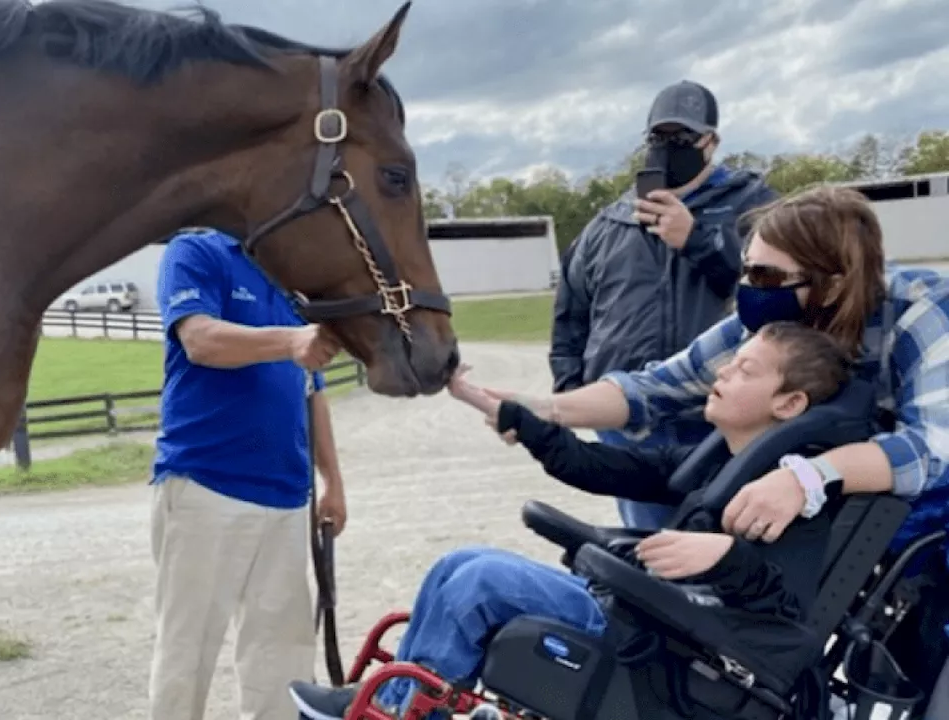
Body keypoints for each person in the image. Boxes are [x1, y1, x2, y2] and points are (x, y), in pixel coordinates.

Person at [289, 322, 854, 720]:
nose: (724, 372)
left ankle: (399, 711)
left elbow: (784, 614)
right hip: (645, 615)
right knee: (458, 563)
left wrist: (728, 559)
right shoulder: (711, 463)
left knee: (480, 584)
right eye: (730, 362)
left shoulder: (791, 495)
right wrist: (495, 407)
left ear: (788, 404)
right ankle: (396, 704)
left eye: (745, 369)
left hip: (675, 651)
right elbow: (591, 462)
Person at [493, 185, 949, 546]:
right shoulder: (770, 320)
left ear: (831, 288)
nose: (749, 287)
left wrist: (807, 477)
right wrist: (544, 409)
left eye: (767, 276)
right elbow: (653, 390)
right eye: (748, 270)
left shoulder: (921, 312)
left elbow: (928, 453)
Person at [549, 79, 778, 531]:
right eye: (658, 137)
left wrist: (698, 241)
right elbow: (572, 313)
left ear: (711, 142)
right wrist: (572, 389)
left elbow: (782, 292)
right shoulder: (609, 222)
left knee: (720, 537)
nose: (667, 147)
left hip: (716, 415)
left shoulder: (755, 208)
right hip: (628, 421)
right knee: (647, 544)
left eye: (682, 138)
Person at [148, 226, 349, 720]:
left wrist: (334, 482)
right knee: (187, 651)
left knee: (283, 654)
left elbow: (313, 392)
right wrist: (291, 339)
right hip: (206, 483)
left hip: (285, 495)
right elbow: (200, 340)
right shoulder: (196, 251)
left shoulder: (290, 279)